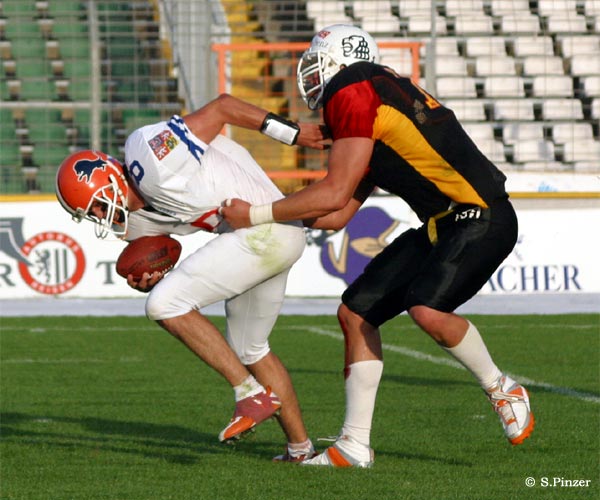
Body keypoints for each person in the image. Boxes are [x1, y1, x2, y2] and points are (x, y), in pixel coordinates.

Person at [220, 24, 535, 467]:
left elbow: (332, 195)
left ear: (340, 60)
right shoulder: (373, 100)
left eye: (317, 62)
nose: (310, 74)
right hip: (442, 224)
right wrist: (251, 217)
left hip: (480, 213)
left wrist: (256, 213)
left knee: (427, 309)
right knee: (356, 314)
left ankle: (502, 387)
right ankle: (353, 444)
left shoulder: (353, 86)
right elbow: (337, 214)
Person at [55, 94, 328, 462]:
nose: (102, 215)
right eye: (92, 213)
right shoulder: (135, 221)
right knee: (249, 348)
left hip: (265, 229)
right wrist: (150, 276)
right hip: (270, 235)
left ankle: (249, 393)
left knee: (164, 305)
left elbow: (223, 107)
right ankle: (301, 449)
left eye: (99, 204)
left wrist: (292, 134)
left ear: (108, 176)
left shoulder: (148, 156)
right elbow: (161, 253)